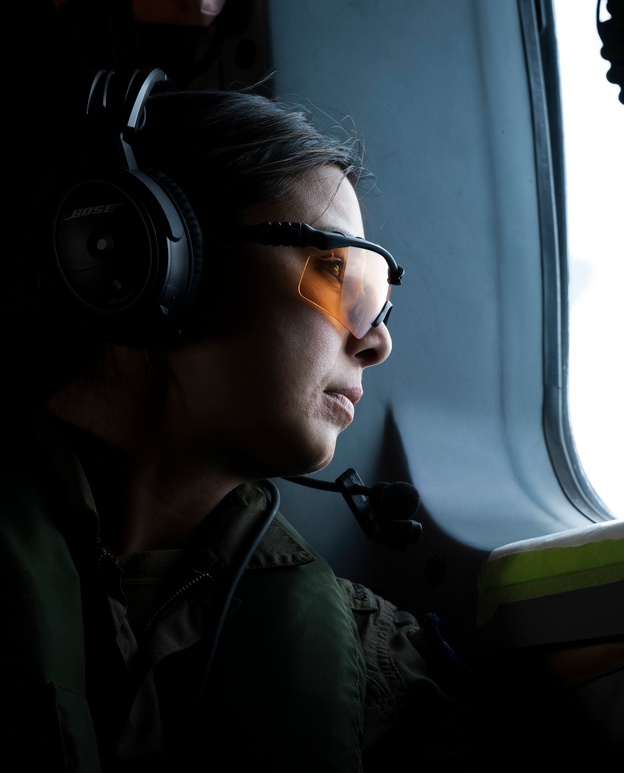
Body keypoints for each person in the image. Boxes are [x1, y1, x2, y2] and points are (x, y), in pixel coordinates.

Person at [0, 68, 472, 772]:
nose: (379, 339)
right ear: (151, 254)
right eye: (345, 276)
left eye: (378, 302)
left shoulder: (375, 653)